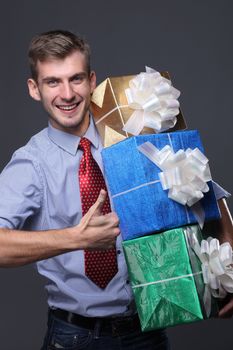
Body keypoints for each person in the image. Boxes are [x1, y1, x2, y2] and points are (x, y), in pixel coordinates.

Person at [0, 30, 232, 350]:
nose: (67, 94)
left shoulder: (129, 129)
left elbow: (205, 190)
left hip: (148, 327)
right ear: (34, 89)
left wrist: (228, 274)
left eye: (76, 79)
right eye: (53, 81)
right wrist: (76, 239)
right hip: (75, 337)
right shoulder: (30, 163)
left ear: (92, 80)